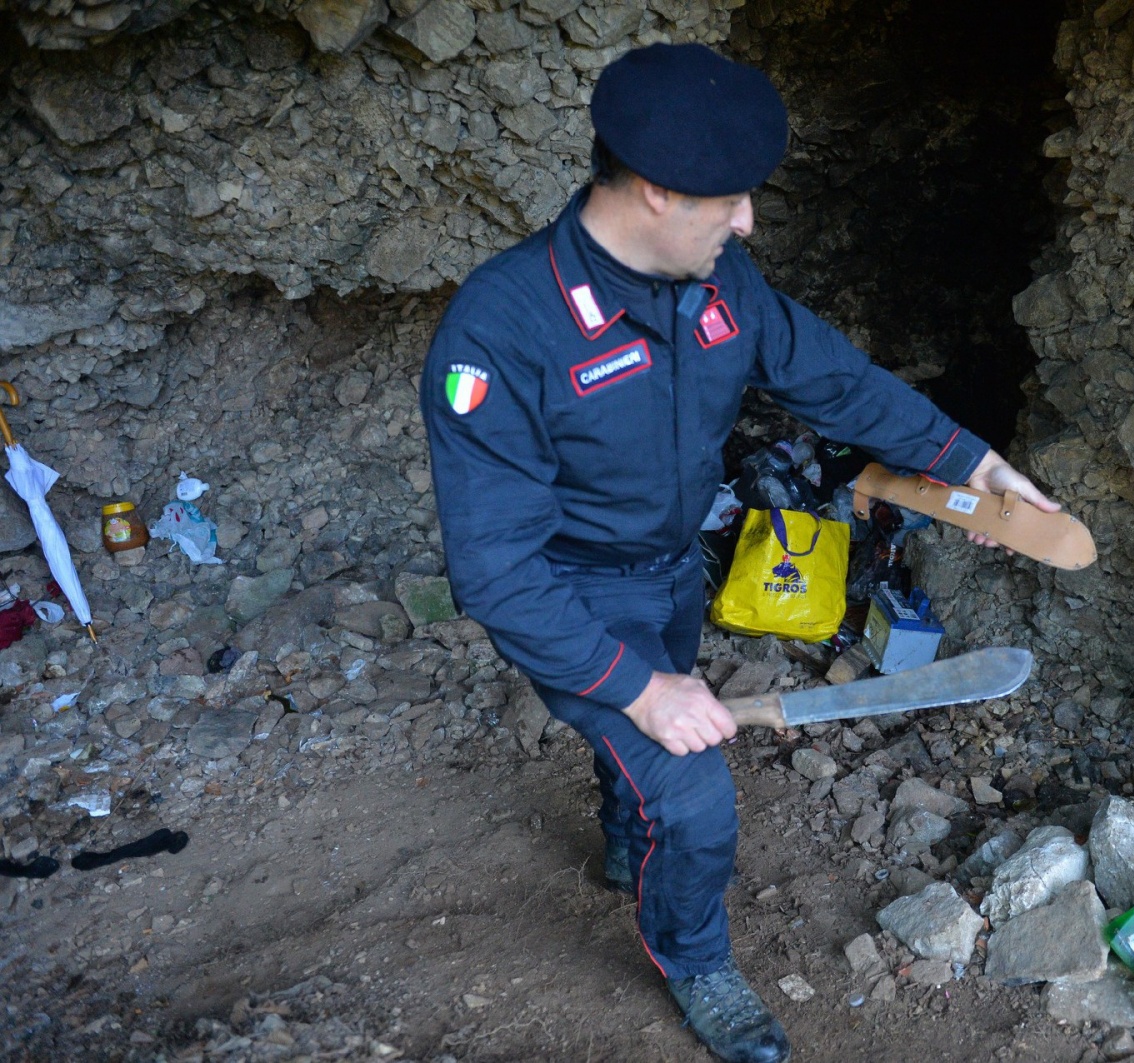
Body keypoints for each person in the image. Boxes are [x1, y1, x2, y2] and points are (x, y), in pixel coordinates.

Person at [420, 42, 1057, 1063]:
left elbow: (836, 381)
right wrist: (639, 687)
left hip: (673, 569)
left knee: (648, 765)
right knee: (692, 786)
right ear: (658, 192)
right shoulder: (502, 329)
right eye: (731, 202)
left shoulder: (721, 281)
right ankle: (694, 957)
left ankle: (628, 839)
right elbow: (498, 570)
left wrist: (970, 463)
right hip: (573, 599)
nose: (748, 221)